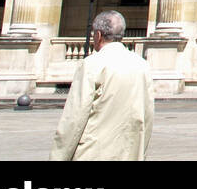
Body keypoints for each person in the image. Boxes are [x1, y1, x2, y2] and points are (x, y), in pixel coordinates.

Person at [51, 10, 154, 161]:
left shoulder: (91, 64)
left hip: (93, 153)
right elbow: (148, 114)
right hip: (129, 153)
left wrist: (58, 157)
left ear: (98, 35)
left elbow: (74, 119)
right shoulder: (142, 66)